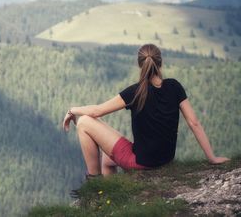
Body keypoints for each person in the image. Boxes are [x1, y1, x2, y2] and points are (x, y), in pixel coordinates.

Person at [62, 44, 229, 179]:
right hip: (165, 159)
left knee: (84, 122)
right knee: (107, 159)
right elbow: (194, 123)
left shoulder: (135, 91)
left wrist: (72, 110)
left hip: (142, 162)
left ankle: (94, 182)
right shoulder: (174, 86)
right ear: (160, 63)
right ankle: (112, 193)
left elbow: (97, 111)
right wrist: (212, 158)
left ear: (139, 65)